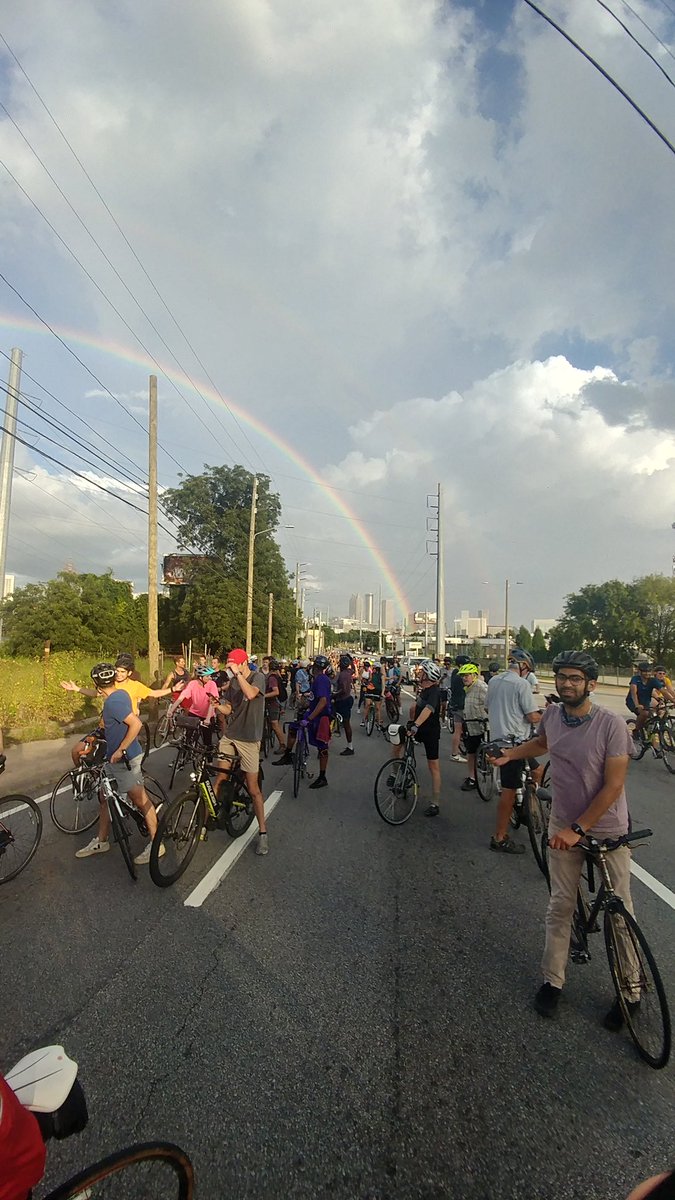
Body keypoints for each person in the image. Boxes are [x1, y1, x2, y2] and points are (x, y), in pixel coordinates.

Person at [492, 650, 640, 1026]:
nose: (567, 683)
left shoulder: (611, 725)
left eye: (576, 678)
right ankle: (553, 982)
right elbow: (542, 744)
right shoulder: (555, 715)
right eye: (562, 677)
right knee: (560, 907)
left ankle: (631, 990)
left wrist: (578, 830)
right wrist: (510, 755)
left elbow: (614, 785)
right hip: (563, 823)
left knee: (620, 914)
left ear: (591, 684)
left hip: (604, 829)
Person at [74, 663, 164, 865]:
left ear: (97, 685)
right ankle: (102, 840)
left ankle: (157, 843)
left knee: (141, 800)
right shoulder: (120, 694)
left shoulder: (113, 703)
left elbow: (137, 724)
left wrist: (121, 749)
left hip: (125, 758)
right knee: (104, 796)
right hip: (113, 759)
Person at [210, 649, 268, 854]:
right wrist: (217, 705)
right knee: (220, 778)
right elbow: (229, 709)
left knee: (253, 789)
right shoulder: (233, 681)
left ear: (244, 664)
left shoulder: (258, 676)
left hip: (250, 739)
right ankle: (214, 815)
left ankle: (262, 833)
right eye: (229, 665)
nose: (231, 669)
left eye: (234, 665)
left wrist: (238, 675)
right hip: (231, 735)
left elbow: (251, 694)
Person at [486, 651, 541, 853]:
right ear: (524, 667)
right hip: (514, 744)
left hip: (497, 740)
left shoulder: (493, 681)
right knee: (508, 792)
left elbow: (487, 708)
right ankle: (499, 837)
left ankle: (526, 803)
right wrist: (547, 715)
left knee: (537, 770)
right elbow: (532, 716)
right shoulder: (521, 684)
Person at [390, 658, 442, 816]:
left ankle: (435, 802)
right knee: (396, 744)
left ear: (428, 676)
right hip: (417, 728)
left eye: (422, 672)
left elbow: (428, 709)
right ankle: (397, 774)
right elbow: (415, 706)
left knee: (433, 766)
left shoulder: (434, 692)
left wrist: (416, 725)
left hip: (430, 732)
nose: (418, 674)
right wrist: (411, 722)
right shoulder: (423, 690)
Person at [274, 654, 333, 789]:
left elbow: (323, 701)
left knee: (322, 747)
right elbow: (314, 698)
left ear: (316, 667)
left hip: (320, 717)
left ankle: (322, 776)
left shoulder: (322, 680)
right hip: (311, 713)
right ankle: (288, 754)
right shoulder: (317, 680)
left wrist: (311, 717)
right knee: (294, 727)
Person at [168, 664, 219, 747]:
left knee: (207, 742)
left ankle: (208, 759)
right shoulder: (192, 684)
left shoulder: (212, 684)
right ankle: (184, 757)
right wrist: (171, 710)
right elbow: (181, 697)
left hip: (208, 715)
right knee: (188, 740)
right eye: (207, 676)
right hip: (194, 714)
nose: (210, 678)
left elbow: (212, 702)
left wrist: (208, 718)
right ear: (200, 677)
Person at [458, 663, 488, 792]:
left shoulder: (482, 687)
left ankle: (496, 779)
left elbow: (491, 704)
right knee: (471, 753)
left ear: (475, 675)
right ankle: (472, 778)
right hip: (471, 726)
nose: (464, 678)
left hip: (483, 727)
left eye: (467, 675)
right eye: (463, 676)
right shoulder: (468, 688)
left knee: (489, 754)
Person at [626, 661, 662, 738]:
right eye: (644, 671)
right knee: (644, 714)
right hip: (633, 701)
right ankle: (636, 730)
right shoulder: (635, 679)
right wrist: (637, 705)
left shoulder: (652, 680)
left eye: (649, 671)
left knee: (658, 711)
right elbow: (634, 693)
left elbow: (664, 691)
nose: (647, 673)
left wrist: (672, 699)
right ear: (640, 672)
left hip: (645, 702)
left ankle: (648, 729)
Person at [334, 653, 356, 756]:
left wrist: (333, 695)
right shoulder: (349, 672)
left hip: (342, 700)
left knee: (329, 718)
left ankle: (349, 747)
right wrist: (351, 659)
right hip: (348, 699)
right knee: (347, 723)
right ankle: (350, 745)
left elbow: (343, 690)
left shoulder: (342, 675)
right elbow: (354, 670)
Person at [449, 655, 470, 763]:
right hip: (461, 704)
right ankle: (454, 753)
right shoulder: (460, 676)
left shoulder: (454, 673)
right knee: (458, 730)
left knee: (459, 730)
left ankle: (456, 751)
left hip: (455, 703)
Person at [264, 658, 287, 754]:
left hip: (273, 703)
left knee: (274, 724)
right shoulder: (277, 676)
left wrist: (264, 696)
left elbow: (276, 692)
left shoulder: (272, 678)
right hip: (273, 703)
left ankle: (282, 744)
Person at [439, 657, 453, 725]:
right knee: (443, 705)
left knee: (451, 705)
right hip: (443, 689)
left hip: (450, 689)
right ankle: (443, 720)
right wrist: (442, 677)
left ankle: (451, 718)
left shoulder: (453, 671)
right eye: (445, 664)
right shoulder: (441, 670)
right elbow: (439, 681)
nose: (447, 666)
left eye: (448, 664)